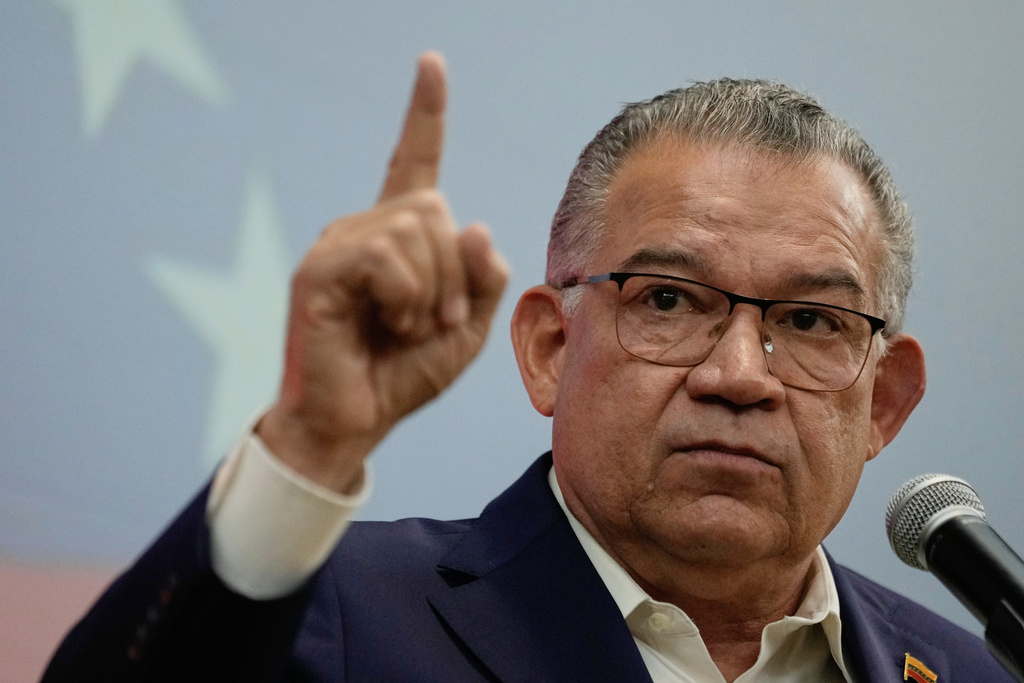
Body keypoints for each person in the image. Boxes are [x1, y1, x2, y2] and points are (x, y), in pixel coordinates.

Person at [44, 53, 1012, 682]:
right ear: (551, 347)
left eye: (808, 319)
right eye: (668, 300)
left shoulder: (970, 671)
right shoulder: (337, 618)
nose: (738, 373)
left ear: (882, 398)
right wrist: (308, 443)